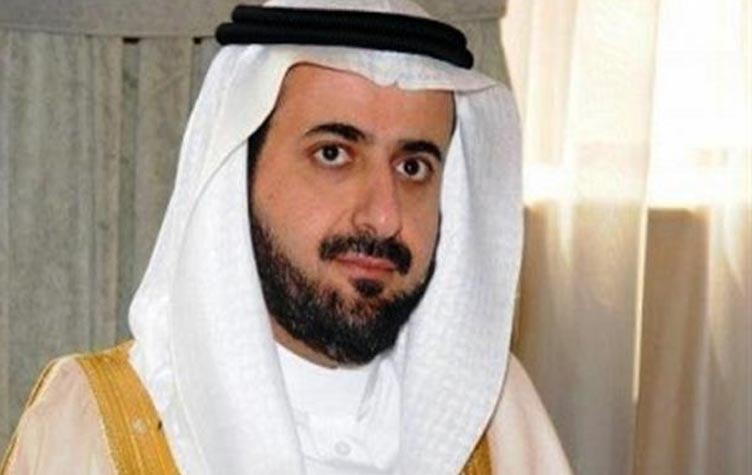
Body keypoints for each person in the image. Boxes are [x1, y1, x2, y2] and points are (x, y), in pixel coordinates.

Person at [1, 0, 573, 473]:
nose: (383, 217)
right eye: (333, 154)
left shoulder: (498, 418)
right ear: (236, 175)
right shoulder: (98, 421)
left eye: (413, 167)